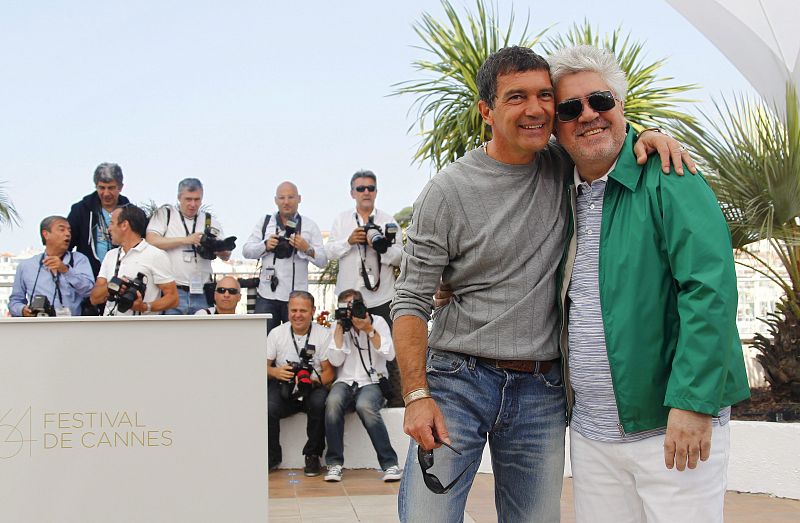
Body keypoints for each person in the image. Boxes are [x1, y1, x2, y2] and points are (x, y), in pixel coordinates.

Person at [391, 45, 694, 522]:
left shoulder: (566, 165)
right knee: (427, 517)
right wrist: (415, 396)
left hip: (541, 388)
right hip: (458, 381)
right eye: (516, 97)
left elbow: (606, 136)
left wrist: (651, 138)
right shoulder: (448, 191)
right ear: (486, 112)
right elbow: (410, 299)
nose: (535, 109)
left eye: (544, 96)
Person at [547, 45, 750, 523]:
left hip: (671, 426)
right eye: (571, 109)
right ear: (556, 127)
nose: (589, 115)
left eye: (601, 101)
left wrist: (693, 403)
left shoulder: (671, 176)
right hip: (594, 437)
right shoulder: (553, 191)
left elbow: (710, 291)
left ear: (622, 105)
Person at [324, 289, 402, 483]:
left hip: (372, 382)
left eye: (354, 305)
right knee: (332, 402)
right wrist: (340, 330)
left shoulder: (378, 322)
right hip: (345, 381)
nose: (351, 311)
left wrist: (368, 330)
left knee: (365, 406)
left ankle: (390, 464)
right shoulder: (338, 326)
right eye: (346, 308)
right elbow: (334, 360)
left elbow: (390, 354)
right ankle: (334, 464)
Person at [243, 181, 327, 332]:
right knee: (263, 344)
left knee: (298, 344)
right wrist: (265, 245)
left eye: (291, 197)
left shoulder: (309, 225)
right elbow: (247, 251)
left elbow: (322, 261)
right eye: (282, 198)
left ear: (299, 199)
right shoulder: (265, 222)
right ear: (275, 200)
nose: (286, 202)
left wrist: (306, 248)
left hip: (297, 299)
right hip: (267, 295)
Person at [267, 291, 334, 476]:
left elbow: (329, 372)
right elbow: (262, 367)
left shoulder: (323, 334)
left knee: (320, 404)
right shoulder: (277, 333)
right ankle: (272, 456)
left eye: (303, 310)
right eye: (293, 310)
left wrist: (311, 380)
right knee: (268, 407)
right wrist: (276, 372)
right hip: (284, 384)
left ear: (313, 311)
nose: (298, 315)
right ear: (287, 311)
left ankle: (312, 455)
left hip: (313, 385)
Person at [325, 170, 402, 326]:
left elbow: (401, 257)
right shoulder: (342, 220)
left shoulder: (388, 221)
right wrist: (349, 242)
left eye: (370, 188)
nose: (366, 192)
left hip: (383, 297)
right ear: (352, 193)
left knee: (385, 347)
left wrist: (382, 248)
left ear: (376, 192)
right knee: (347, 347)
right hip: (348, 296)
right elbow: (329, 252)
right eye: (360, 189)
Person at [146, 178, 232, 315]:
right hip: (173, 291)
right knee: (172, 334)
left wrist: (217, 248)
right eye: (188, 199)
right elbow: (151, 241)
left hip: (202, 292)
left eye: (197, 200)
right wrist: (186, 240)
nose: (193, 204)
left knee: (201, 335)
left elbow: (226, 256)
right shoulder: (166, 215)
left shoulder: (209, 220)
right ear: (179, 197)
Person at [91, 204, 178, 316]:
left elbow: (173, 298)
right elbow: (94, 299)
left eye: (112, 223)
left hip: (141, 329)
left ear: (124, 225)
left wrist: (145, 306)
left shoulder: (156, 255)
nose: (109, 228)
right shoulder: (110, 256)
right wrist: (112, 286)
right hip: (110, 328)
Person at [9, 216, 94, 317]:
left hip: (73, 325)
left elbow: (90, 291)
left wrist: (66, 271)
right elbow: (15, 301)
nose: (67, 234)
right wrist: (22, 310)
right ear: (46, 234)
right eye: (62, 230)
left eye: (69, 231)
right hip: (39, 326)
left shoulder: (79, 260)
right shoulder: (26, 266)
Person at [68, 162, 130, 277]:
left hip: (122, 277)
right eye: (101, 188)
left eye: (111, 188)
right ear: (95, 186)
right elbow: (67, 244)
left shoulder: (131, 212)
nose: (106, 193)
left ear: (120, 187)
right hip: (88, 277)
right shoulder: (81, 210)